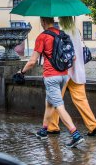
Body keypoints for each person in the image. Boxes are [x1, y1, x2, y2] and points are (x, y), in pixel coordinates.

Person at [19, 17, 84, 148]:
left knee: (59, 106)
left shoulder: (42, 36)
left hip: (51, 77)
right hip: (64, 75)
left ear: (43, 22)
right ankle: (43, 130)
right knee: (50, 103)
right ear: (53, 21)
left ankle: (75, 134)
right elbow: (73, 56)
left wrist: (21, 72)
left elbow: (32, 61)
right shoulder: (63, 34)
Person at [47, 16, 96, 136]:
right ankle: (93, 126)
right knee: (82, 100)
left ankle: (53, 126)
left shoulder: (61, 34)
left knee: (55, 100)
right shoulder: (76, 32)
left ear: (62, 20)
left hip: (63, 72)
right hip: (77, 71)